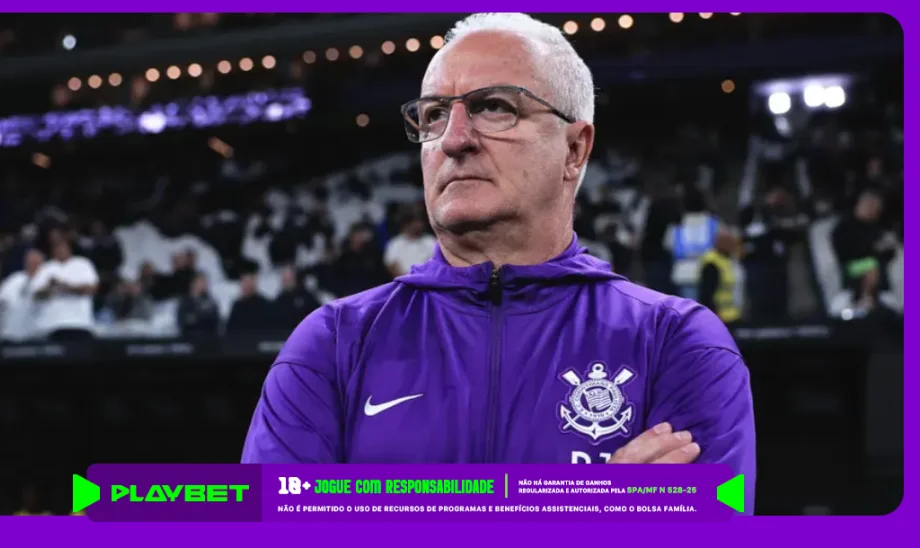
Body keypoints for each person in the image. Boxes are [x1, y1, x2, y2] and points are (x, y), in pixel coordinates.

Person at [242, 13, 756, 514]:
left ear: (575, 149)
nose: (453, 139)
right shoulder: (331, 346)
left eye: (493, 107)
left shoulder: (678, 345)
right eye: (434, 115)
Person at [31, 238, 100, 341]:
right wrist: (50, 288)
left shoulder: (82, 264)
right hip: (52, 325)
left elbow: (92, 289)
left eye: (63, 247)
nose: (60, 250)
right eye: (57, 248)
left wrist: (64, 286)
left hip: (79, 323)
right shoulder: (46, 268)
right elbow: (35, 296)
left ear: (69, 249)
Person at [697, 227, 744, 324]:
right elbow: (706, 294)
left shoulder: (728, 260)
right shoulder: (712, 263)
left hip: (732, 315)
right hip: (720, 317)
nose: (733, 245)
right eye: (730, 242)